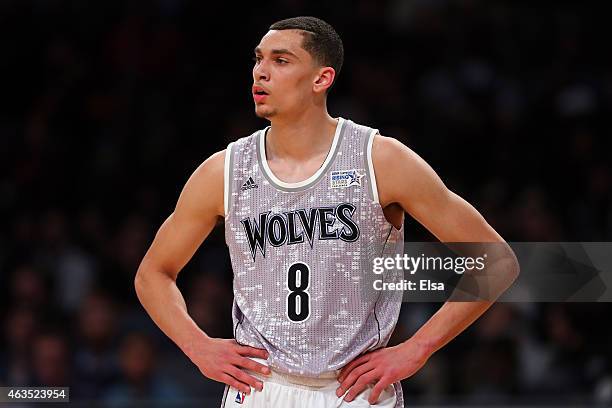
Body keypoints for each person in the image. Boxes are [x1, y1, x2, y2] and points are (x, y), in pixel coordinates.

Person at [135, 16, 519, 408]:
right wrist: (197, 346)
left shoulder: (379, 159)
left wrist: (417, 348)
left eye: (281, 61)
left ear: (322, 79)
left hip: (351, 389)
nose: (261, 72)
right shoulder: (225, 171)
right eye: (258, 59)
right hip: (260, 387)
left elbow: (496, 260)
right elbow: (153, 273)